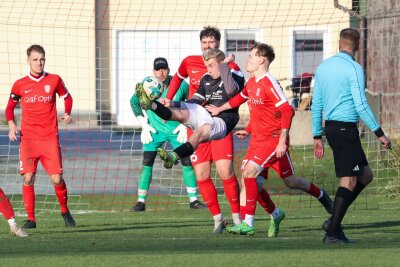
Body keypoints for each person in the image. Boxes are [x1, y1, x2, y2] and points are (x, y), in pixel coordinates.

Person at [206, 42, 321, 237]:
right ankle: (274, 215)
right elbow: (240, 99)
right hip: (258, 141)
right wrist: (220, 110)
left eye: (251, 56)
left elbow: (286, 110)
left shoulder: (269, 82)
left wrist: (282, 139)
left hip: (273, 140)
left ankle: (247, 223)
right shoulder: (252, 83)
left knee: (250, 173)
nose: (247, 60)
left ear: (261, 60)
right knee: (266, 182)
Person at [137, 48, 245, 233]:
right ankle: (152, 104)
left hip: (224, 120)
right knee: (178, 113)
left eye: (211, 66)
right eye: (206, 66)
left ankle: (237, 218)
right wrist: (174, 103)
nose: (208, 70)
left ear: (221, 63)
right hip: (205, 113)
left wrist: (225, 66)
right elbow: (196, 100)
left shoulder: (234, 74)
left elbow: (231, 90)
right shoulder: (206, 79)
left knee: (203, 136)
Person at [161, 26, 243, 234]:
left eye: (211, 42)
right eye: (204, 42)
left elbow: (237, 93)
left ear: (218, 44)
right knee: (202, 174)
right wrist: (170, 100)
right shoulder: (190, 61)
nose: (207, 46)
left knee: (226, 171)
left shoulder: (229, 65)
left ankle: (237, 217)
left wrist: (224, 109)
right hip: (197, 122)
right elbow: (178, 79)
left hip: (219, 123)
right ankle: (218, 220)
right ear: (200, 44)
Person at [311, 28, 391, 244]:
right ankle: (332, 232)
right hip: (346, 129)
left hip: (331, 129)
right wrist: (379, 133)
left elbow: (316, 103)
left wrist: (317, 135)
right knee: (349, 180)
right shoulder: (354, 68)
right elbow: (361, 104)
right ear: (357, 45)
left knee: (365, 175)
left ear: (339, 43)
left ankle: (334, 220)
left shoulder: (323, 66)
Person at [5, 44, 76, 229]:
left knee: (57, 179)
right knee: (28, 178)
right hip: (28, 139)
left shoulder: (54, 80)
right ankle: (31, 219)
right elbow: (9, 108)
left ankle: (64, 210)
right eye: (35, 60)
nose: (39, 63)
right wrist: (12, 125)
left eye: (42, 59)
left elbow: (67, 97)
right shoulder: (20, 84)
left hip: (49, 138)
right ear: (28, 61)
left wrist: (67, 113)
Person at [129, 57, 206, 211]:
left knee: (186, 161)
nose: (161, 72)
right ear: (153, 71)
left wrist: (186, 125)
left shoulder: (180, 85)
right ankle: (141, 202)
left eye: (164, 68)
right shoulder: (146, 85)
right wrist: (144, 124)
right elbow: (134, 102)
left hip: (176, 130)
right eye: (158, 69)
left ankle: (194, 200)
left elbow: (191, 103)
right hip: (154, 131)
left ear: (169, 70)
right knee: (147, 162)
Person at [235, 121, 333, 215]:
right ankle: (246, 222)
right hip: (256, 145)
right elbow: (257, 112)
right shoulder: (252, 103)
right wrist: (248, 129)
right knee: (249, 182)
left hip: (274, 144)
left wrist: (282, 141)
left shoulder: (280, 104)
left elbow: (287, 114)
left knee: (291, 182)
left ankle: (321, 194)